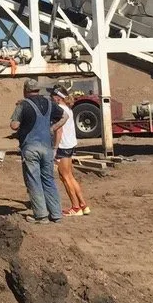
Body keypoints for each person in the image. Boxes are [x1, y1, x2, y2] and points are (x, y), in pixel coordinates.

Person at [9, 77, 63, 223]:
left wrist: (20, 121)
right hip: (47, 147)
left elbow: (14, 125)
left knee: (34, 181)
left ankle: (41, 215)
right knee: (49, 180)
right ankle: (56, 214)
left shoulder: (23, 105)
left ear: (25, 91)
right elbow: (65, 116)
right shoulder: (49, 103)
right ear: (38, 90)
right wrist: (53, 128)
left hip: (30, 148)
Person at [49, 83, 89, 217]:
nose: (50, 98)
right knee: (70, 176)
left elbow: (59, 131)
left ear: (57, 97)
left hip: (63, 146)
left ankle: (75, 207)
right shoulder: (68, 108)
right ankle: (83, 204)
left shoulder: (59, 109)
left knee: (64, 177)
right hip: (70, 145)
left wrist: (54, 148)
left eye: (52, 95)